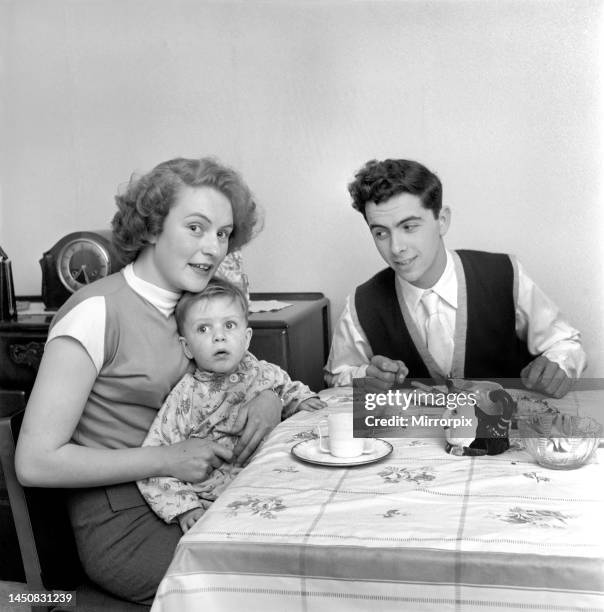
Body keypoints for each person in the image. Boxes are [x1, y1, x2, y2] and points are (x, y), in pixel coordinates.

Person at [14, 157, 282, 604]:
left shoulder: (194, 303)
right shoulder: (97, 311)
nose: (214, 247)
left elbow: (236, 372)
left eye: (222, 233)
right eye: (196, 228)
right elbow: (35, 462)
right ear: (153, 226)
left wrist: (268, 395)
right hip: (125, 519)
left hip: (198, 492)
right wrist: (166, 459)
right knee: (259, 586)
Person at [324, 159, 586, 397]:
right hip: (413, 441)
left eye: (409, 227)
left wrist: (560, 362)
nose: (396, 247)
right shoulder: (361, 304)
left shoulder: (505, 275)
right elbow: (335, 377)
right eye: (381, 233)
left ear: (442, 220)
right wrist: (365, 377)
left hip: (505, 441)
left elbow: (566, 343)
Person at [138, 278, 325, 533]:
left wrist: (304, 400)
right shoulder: (185, 396)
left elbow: (289, 389)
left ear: (246, 337)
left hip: (274, 480)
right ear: (187, 347)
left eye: (229, 325)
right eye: (203, 329)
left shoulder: (262, 372)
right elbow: (157, 456)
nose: (219, 337)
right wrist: (185, 507)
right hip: (218, 499)